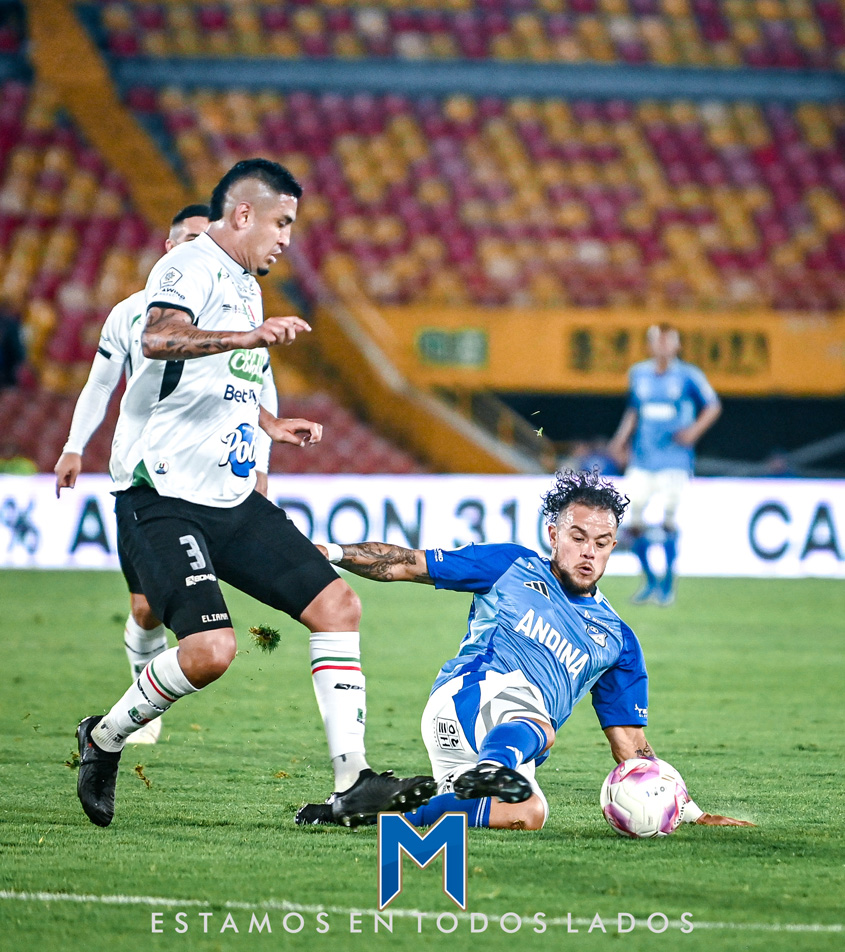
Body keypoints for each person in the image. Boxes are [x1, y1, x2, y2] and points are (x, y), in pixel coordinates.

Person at [74, 158, 434, 828]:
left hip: (231, 498)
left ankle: (351, 783)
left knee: (338, 607)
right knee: (210, 652)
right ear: (243, 214)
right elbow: (158, 337)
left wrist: (268, 423)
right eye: (281, 222)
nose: (287, 239)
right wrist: (246, 336)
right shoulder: (188, 265)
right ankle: (104, 738)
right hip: (164, 498)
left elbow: (218, 382)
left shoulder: (245, 283)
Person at [298, 469, 752, 833]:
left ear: (613, 546)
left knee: (529, 813)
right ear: (553, 534)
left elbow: (632, 748)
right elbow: (404, 564)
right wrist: (330, 552)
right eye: (577, 537)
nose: (588, 553)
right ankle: (493, 765)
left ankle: (375, 812)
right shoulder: (512, 565)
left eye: (600, 543)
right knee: (536, 718)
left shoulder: (618, 639)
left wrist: (688, 810)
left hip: (506, 750)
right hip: (465, 701)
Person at [55, 205, 235, 746]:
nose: (198, 250)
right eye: (189, 240)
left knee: (187, 613)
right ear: (168, 247)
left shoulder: (231, 312)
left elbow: (250, 393)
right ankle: (142, 694)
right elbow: (99, 384)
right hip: (140, 479)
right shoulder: (131, 313)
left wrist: (257, 465)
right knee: (145, 607)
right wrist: (73, 447)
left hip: (203, 480)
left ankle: (144, 704)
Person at [607, 323, 721, 606]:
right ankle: (650, 581)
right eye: (658, 340)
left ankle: (668, 584)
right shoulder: (638, 374)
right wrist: (620, 440)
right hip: (642, 458)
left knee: (668, 519)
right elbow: (634, 410)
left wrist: (694, 432)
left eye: (668, 341)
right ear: (649, 345)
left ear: (677, 345)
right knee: (632, 521)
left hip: (674, 460)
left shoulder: (689, 375)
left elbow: (713, 405)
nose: (663, 346)